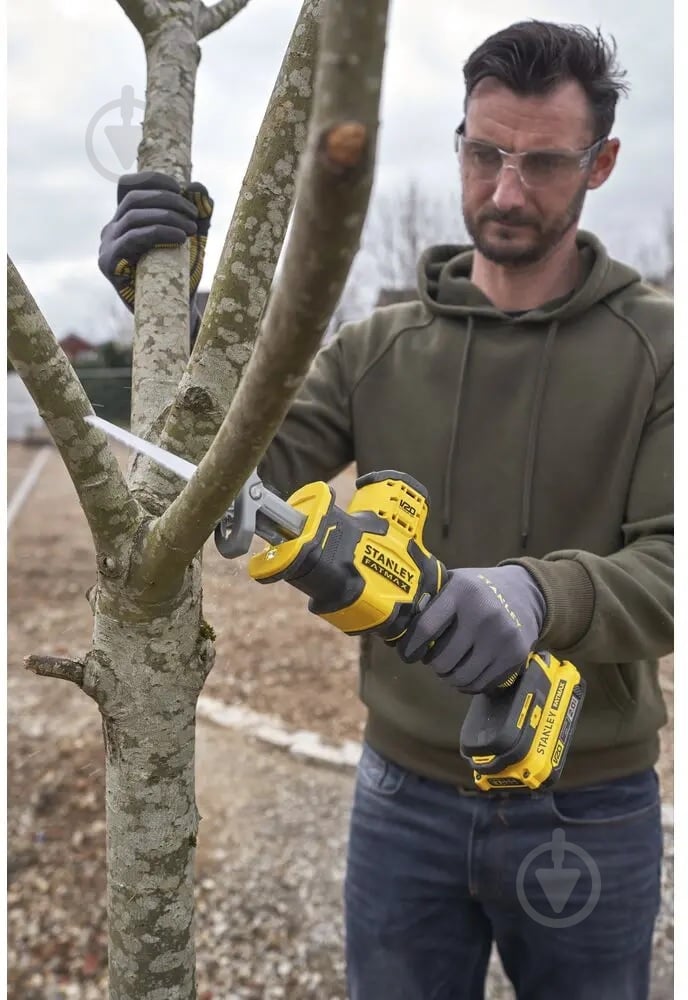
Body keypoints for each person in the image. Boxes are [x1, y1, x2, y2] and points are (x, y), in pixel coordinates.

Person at [99, 20, 673, 1000]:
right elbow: (236, 472)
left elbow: (675, 561)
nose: (503, 189)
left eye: (541, 163)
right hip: (400, 793)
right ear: (458, 142)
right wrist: (176, 317)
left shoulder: (660, 347)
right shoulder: (372, 348)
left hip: (589, 799)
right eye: (484, 152)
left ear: (602, 160)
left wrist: (536, 598)